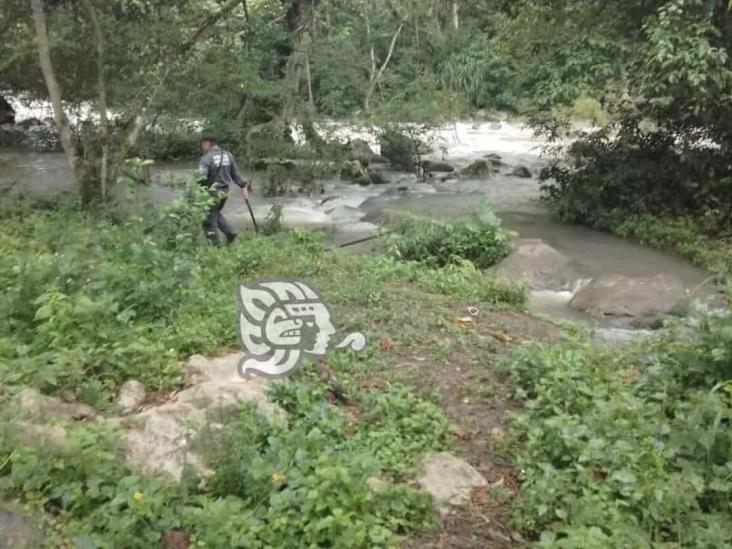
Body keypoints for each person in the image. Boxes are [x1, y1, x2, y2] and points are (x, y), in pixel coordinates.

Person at [197, 132, 249, 245]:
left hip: (211, 193)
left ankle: (216, 248)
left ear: (207, 143)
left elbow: (201, 177)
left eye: (202, 145)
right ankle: (231, 232)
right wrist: (243, 186)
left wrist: (194, 188)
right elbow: (235, 174)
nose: (202, 148)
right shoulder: (228, 155)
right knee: (214, 213)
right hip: (224, 192)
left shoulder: (206, 159)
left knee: (208, 221)